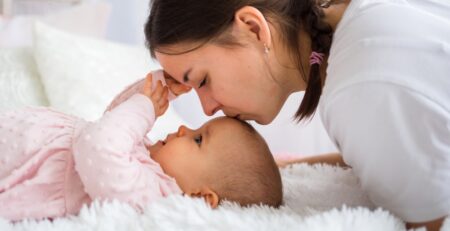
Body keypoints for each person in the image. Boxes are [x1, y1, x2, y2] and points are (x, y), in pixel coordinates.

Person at [143, 0, 450, 230]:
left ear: (252, 28)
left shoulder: (360, 87)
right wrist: (286, 166)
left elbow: (429, 222)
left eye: (203, 81)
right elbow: (394, 155)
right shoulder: (360, 26)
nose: (207, 109)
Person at [0, 71, 282, 221]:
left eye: (198, 139)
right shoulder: (148, 160)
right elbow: (111, 119)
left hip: (20, 165)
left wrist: (145, 109)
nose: (183, 128)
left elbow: (98, 145)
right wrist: (160, 90)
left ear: (201, 196)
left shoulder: (149, 194)